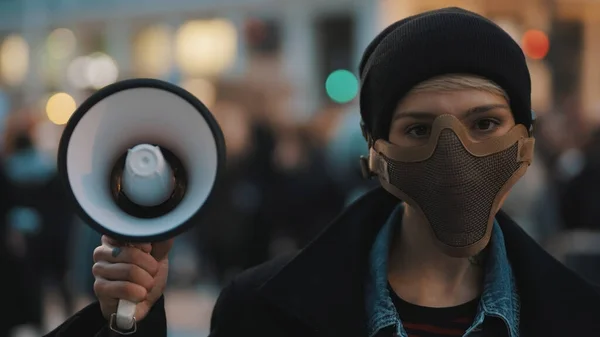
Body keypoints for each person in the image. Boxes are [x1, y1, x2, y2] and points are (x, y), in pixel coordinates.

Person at [46, 7, 600, 337]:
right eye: (417, 129)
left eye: (485, 123)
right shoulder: (259, 311)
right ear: (374, 149)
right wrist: (126, 322)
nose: (453, 156)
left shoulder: (580, 316)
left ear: (525, 138)